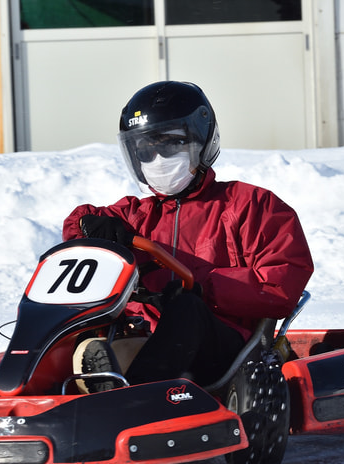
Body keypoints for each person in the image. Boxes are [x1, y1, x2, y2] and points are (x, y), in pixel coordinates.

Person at [62, 81, 314, 389]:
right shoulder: (137, 215)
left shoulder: (250, 205)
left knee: (187, 309)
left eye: (170, 145)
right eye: (146, 150)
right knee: (80, 319)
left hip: (222, 350)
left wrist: (202, 288)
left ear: (200, 142)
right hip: (146, 337)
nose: (157, 159)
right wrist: (89, 226)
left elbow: (279, 286)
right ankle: (25, 387)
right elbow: (76, 226)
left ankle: (131, 399)